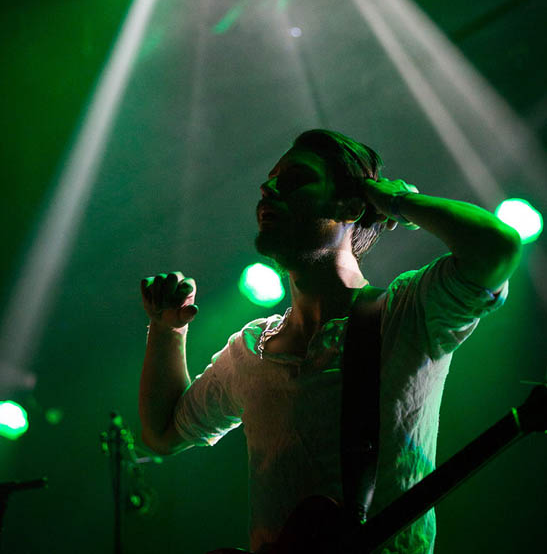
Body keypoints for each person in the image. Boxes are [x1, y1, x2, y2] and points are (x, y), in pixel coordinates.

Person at [139, 129, 521, 553]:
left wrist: (396, 201)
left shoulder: (408, 313)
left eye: (296, 178)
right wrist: (167, 330)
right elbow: (163, 431)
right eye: (270, 179)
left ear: (353, 205)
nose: (269, 188)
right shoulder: (249, 350)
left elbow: (498, 247)